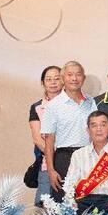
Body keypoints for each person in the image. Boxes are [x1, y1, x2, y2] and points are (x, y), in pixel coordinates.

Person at [43, 61, 96, 201]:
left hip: (88, 157)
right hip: (64, 158)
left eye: (78, 74)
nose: (74, 78)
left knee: (88, 200)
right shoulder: (53, 106)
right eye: (70, 75)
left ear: (83, 78)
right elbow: (49, 140)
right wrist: (51, 170)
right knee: (63, 201)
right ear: (62, 78)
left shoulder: (91, 101)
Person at [64, 110, 108, 214]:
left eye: (103, 125)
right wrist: (70, 202)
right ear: (88, 130)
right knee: (65, 214)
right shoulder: (78, 154)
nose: (99, 129)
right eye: (94, 125)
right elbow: (70, 183)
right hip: (83, 200)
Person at [29, 65, 62, 205]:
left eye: (57, 78)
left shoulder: (73, 103)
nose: (53, 82)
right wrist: (55, 155)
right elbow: (37, 139)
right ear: (43, 82)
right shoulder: (36, 107)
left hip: (72, 161)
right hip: (47, 163)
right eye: (49, 79)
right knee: (45, 206)